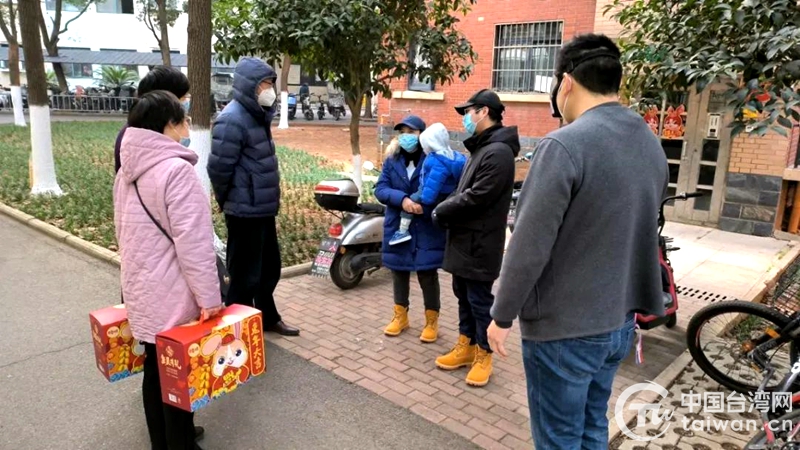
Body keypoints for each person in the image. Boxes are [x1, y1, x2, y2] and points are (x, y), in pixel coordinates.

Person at [487, 34, 669, 448]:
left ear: (565, 83)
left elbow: (528, 245)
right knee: (591, 427)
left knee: (559, 439)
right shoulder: (649, 142)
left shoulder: (564, 145)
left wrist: (502, 315)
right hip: (619, 323)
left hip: (564, 330)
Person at [114, 90, 223, 450]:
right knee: (177, 374)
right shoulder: (177, 171)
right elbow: (194, 244)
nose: (187, 128)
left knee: (154, 368)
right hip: (173, 293)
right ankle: (181, 444)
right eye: (184, 120)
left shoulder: (126, 171)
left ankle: (161, 442)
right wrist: (209, 299)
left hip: (141, 289)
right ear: (168, 125)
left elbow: (122, 233)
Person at [432, 89, 518, 387]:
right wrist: (448, 205)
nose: (466, 118)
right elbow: (463, 190)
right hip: (464, 240)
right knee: (463, 295)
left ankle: (484, 353)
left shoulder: (499, 152)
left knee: (479, 300)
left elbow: (478, 196)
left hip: (480, 243)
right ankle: (466, 345)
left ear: (484, 112)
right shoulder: (482, 147)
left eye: (468, 112)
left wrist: (442, 209)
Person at [208, 57, 299, 337]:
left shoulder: (257, 115)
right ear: (249, 85)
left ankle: (268, 318)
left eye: (271, 83)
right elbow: (218, 168)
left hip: (262, 208)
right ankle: (238, 331)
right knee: (244, 276)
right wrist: (229, 201)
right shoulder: (231, 119)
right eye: (264, 84)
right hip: (243, 211)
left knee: (268, 269)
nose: (269, 90)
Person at [376, 115, 446, 343]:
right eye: (403, 132)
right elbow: (381, 189)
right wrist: (403, 200)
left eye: (412, 132)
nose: (406, 136)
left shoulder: (434, 159)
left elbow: (445, 191)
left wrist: (423, 207)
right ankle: (400, 316)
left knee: (427, 273)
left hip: (425, 226)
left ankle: (431, 321)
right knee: (399, 271)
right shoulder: (392, 160)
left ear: (422, 135)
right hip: (398, 225)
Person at [389, 123, 466, 246]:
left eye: (411, 131)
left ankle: (402, 231)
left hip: (430, 194)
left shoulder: (438, 161)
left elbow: (433, 183)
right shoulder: (454, 157)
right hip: (445, 193)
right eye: (402, 132)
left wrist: (425, 199)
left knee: (409, 206)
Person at [114, 66, 191, 174]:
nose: (186, 101)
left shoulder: (140, 130)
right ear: (164, 98)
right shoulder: (138, 138)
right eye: (182, 97)